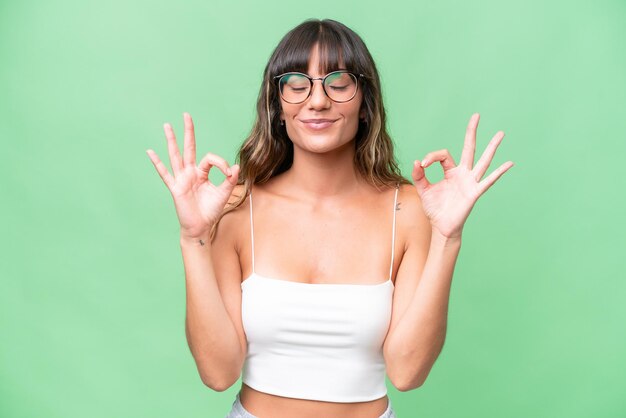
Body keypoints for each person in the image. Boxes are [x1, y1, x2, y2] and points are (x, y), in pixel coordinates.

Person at [146, 18, 513, 418]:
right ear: (278, 107)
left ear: (365, 103)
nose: (317, 101)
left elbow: (407, 373)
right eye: (297, 84)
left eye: (338, 83)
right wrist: (193, 239)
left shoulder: (407, 210)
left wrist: (448, 237)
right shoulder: (235, 207)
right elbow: (218, 374)